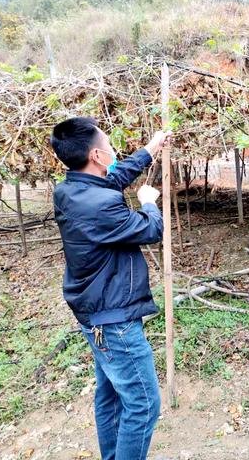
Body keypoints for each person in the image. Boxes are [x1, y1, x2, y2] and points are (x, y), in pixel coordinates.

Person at [50, 117, 171, 460]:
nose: (113, 149)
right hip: (113, 319)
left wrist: (152, 147)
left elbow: (114, 179)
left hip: (96, 311)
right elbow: (149, 230)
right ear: (96, 156)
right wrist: (148, 201)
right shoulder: (99, 205)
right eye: (108, 145)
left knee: (110, 397)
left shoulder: (72, 189)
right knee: (144, 404)